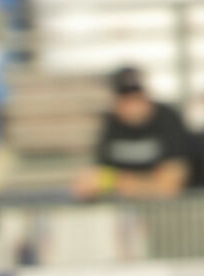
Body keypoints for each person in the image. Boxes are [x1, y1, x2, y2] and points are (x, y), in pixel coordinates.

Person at [73, 67, 191, 200]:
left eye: (137, 97)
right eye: (126, 98)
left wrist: (114, 181)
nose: (133, 106)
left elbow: (169, 186)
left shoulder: (168, 119)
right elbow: (93, 181)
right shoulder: (111, 124)